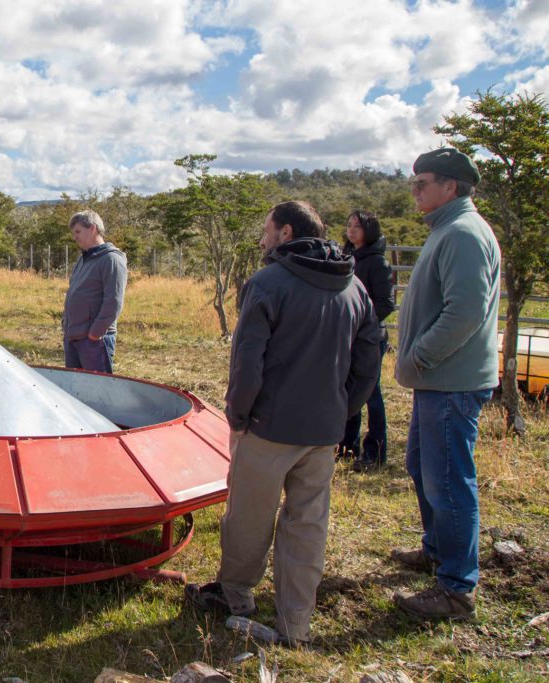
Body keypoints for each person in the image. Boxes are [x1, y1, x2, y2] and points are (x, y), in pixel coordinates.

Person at [185, 200, 380, 646]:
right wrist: (344, 409)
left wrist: (237, 416)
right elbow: (370, 357)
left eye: (267, 230)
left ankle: (236, 597)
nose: (262, 239)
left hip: (267, 427)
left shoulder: (268, 282)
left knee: (249, 518)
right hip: (323, 432)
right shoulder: (353, 286)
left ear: (287, 233)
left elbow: (247, 360)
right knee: (308, 525)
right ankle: (296, 623)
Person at [391, 148, 501, 621]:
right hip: (439, 382)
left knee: (450, 480)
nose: (415, 191)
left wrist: (419, 357)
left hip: (451, 383)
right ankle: (438, 550)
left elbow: (465, 313)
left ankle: (456, 587)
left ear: (450, 187)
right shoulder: (449, 230)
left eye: (422, 183)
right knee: (424, 464)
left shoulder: (461, 234)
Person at [336, 210, 395, 472]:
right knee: (348, 390)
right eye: (349, 225)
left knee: (371, 393)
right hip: (347, 335)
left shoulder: (377, 263)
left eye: (357, 226)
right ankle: (348, 446)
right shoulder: (345, 257)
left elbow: (386, 303)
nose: (351, 230)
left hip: (370, 338)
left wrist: (362, 322)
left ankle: (376, 450)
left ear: (369, 230)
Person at [62, 210, 128, 373]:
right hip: (73, 337)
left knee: (98, 391)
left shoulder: (111, 259)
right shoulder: (83, 258)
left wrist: (95, 334)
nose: (74, 237)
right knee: (74, 390)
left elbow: (113, 302)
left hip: (93, 341)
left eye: (78, 231)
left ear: (92, 229)